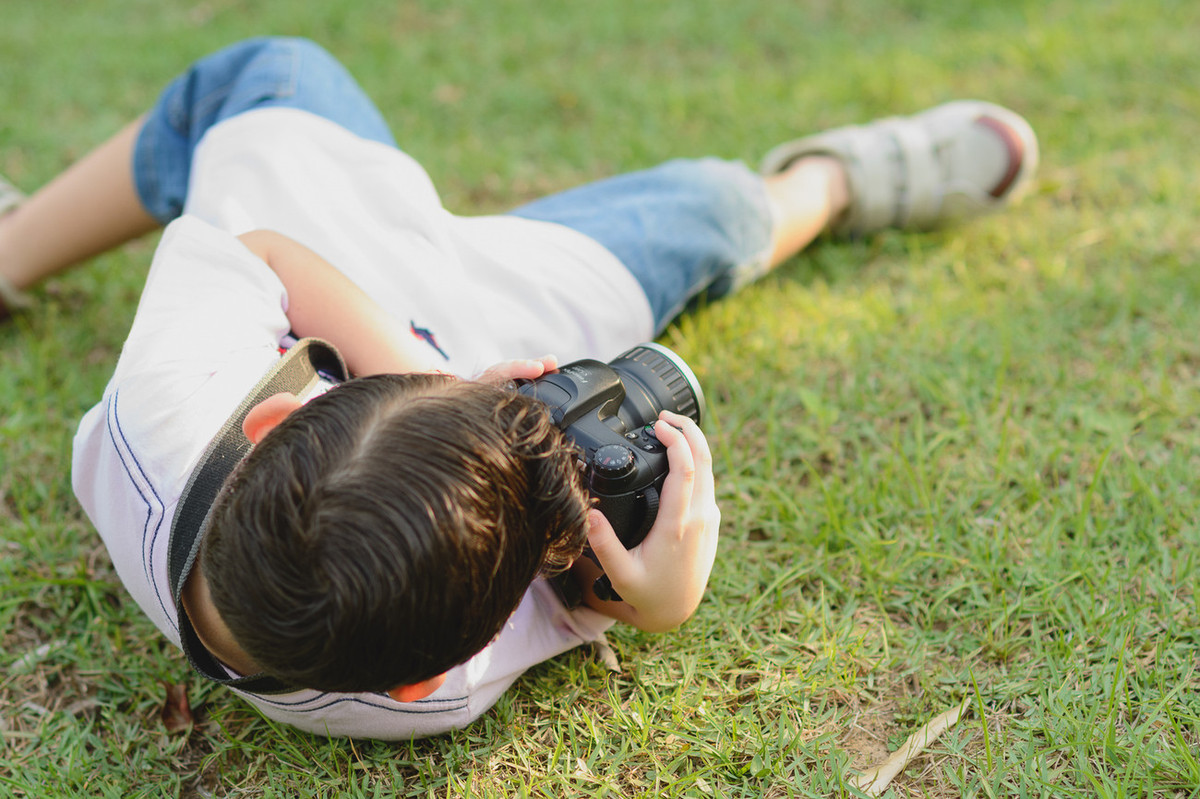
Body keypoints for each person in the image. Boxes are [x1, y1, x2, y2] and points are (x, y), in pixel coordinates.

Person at [0, 37, 1038, 740]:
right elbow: (576, 593)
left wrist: (427, 369)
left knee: (265, 73)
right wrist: (658, 603)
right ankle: (838, 180)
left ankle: (10, 252)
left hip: (335, 227)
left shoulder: (163, 408)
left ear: (274, 415)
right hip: (514, 301)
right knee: (717, 212)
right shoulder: (433, 683)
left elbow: (262, 247)